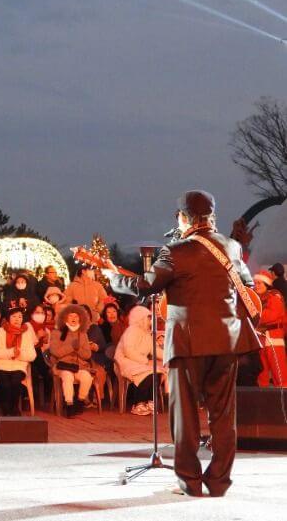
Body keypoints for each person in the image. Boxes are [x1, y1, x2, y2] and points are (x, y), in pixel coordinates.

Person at [104, 189, 262, 497]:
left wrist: (113, 277)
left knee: (185, 415)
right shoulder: (231, 246)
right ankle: (218, 482)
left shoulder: (174, 251)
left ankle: (190, 482)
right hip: (227, 342)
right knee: (223, 415)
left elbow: (145, 285)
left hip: (188, 344)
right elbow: (248, 285)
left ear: (183, 217)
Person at [114, 305, 165, 415]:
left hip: (140, 362)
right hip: (125, 361)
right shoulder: (131, 331)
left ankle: (151, 401)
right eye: (148, 318)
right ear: (140, 318)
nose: (149, 320)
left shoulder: (147, 333)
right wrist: (144, 361)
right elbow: (128, 351)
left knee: (157, 371)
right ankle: (138, 403)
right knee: (146, 373)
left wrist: (168, 356)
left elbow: (154, 350)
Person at [0, 308, 38, 416]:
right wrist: (11, 352)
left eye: (20, 317)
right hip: (0, 366)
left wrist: (19, 354)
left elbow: (32, 355)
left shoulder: (26, 333)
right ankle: (8, 409)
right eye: (14, 316)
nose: (17, 319)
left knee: (15, 383)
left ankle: (13, 407)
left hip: (18, 366)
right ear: (8, 318)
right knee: (5, 383)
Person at [49, 304, 95, 417]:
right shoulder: (57, 333)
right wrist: (71, 347)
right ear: (65, 318)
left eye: (76, 316)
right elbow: (56, 352)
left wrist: (78, 349)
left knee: (87, 377)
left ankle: (79, 402)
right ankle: (69, 405)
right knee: (67, 377)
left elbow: (87, 354)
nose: (74, 318)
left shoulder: (83, 334)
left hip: (79, 366)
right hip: (63, 366)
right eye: (71, 316)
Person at [251, 270, 286, 387]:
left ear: (266, 284)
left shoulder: (274, 297)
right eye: (255, 283)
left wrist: (256, 315)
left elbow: (271, 315)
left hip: (274, 339)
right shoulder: (256, 299)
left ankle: (284, 399)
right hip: (261, 340)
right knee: (262, 373)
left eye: (260, 283)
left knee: (279, 372)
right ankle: (263, 400)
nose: (257, 286)